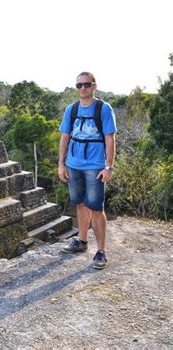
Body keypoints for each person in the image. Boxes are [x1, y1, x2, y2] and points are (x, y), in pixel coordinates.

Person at [58, 72, 116, 269]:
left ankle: (101, 251)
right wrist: (61, 163)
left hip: (94, 166)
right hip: (74, 164)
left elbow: (110, 139)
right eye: (79, 85)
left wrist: (108, 166)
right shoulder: (71, 109)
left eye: (87, 85)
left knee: (97, 208)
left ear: (94, 86)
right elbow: (65, 137)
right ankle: (81, 241)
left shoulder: (103, 109)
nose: (83, 88)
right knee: (80, 204)